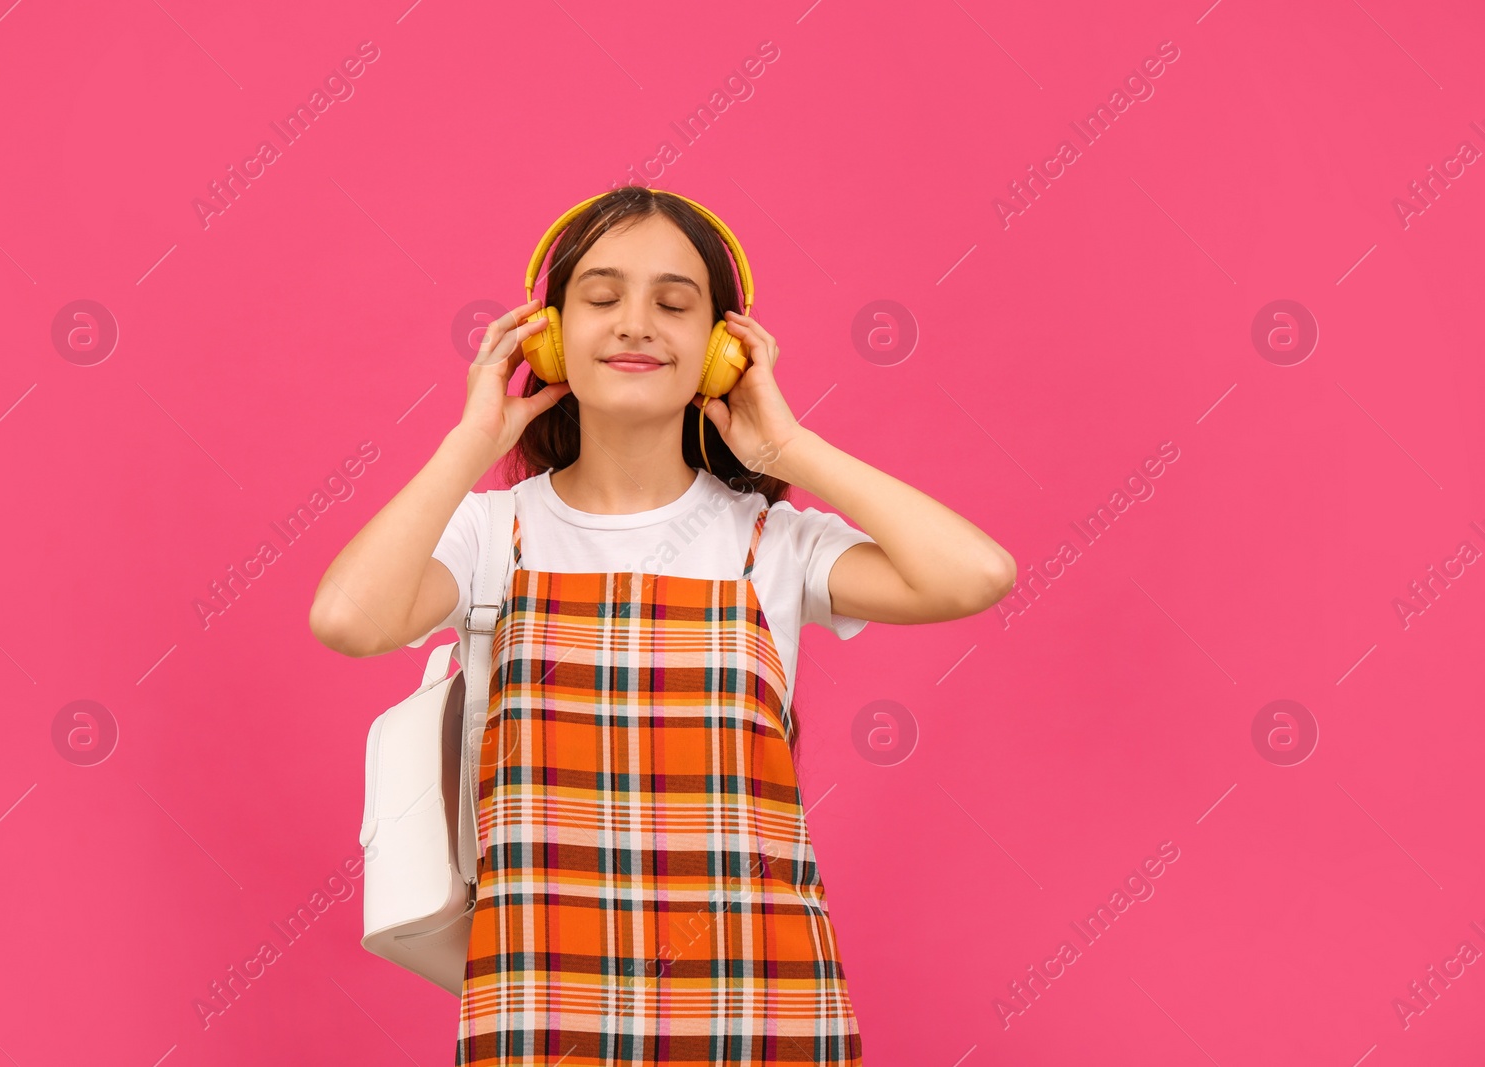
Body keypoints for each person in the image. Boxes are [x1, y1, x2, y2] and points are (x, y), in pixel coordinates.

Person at [310, 187, 1016, 1066]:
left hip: (762, 1007)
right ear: (551, 337)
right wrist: (470, 439)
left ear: (722, 350)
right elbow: (347, 618)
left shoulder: (772, 543)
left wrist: (788, 449)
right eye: (601, 299)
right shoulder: (494, 533)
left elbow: (977, 574)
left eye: (674, 304)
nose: (636, 324)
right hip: (545, 1008)